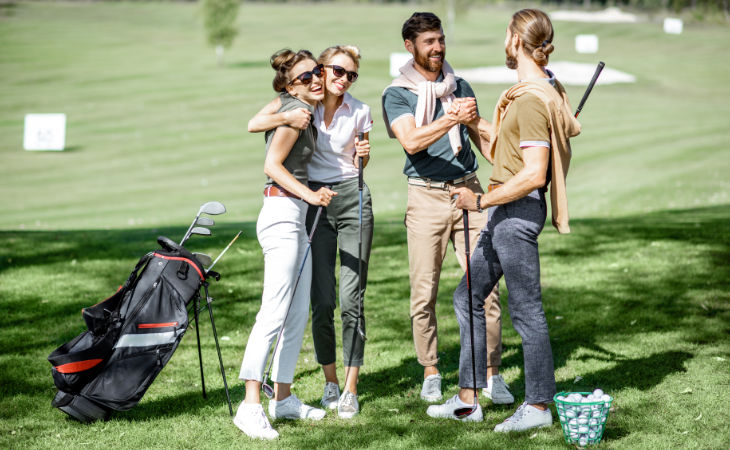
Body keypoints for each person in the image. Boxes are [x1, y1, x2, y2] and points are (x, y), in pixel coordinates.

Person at [428, 9, 581, 428]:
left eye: (506, 35)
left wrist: (479, 202)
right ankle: (468, 399)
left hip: (515, 213)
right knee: (467, 296)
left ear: (516, 40)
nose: (504, 41)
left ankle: (538, 407)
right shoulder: (535, 91)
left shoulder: (531, 99)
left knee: (527, 310)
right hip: (504, 212)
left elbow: (533, 173)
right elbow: (504, 153)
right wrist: (475, 120)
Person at [381, 12, 513, 405]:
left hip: (469, 191)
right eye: (429, 42)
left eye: (440, 40)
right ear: (410, 46)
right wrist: (451, 118)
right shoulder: (397, 93)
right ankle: (432, 369)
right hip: (425, 197)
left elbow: (488, 145)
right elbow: (411, 141)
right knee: (425, 291)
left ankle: (492, 374)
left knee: (485, 288)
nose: (437, 48)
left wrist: (477, 123)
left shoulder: (461, 86)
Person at [248, 45, 373, 419]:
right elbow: (257, 129)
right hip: (300, 204)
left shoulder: (350, 109)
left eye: (351, 75)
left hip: (331, 201)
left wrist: (363, 154)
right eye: (333, 71)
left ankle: (319, 392)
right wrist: (311, 194)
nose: (339, 79)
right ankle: (269, 398)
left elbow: (360, 157)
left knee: (330, 304)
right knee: (302, 305)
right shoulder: (302, 106)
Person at [233, 49, 337, 440]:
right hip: (281, 215)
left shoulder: (298, 109)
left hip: (295, 216)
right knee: (274, 313)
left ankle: (284, 398)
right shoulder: (294, 112)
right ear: (291, 84)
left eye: (317, 72)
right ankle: (250, 406)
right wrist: (310, 196)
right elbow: (271, 166)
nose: (315, 79)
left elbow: (258, 120)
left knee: (296, 315)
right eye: (306, 76)